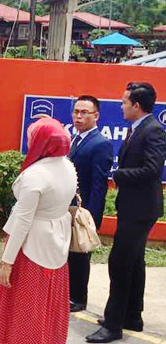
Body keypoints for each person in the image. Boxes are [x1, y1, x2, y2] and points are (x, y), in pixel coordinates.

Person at [0, 117, 77, 344]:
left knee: (27, 307)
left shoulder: (35, 175)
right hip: (57, 240)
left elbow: (23, 221)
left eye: (32, 137)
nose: (28, 141)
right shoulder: (68, 166)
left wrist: (6, 261)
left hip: (32, 245)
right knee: (50, 305)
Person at [87, 82, 166, 343]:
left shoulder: (152, 130)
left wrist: (119, 174)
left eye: (124, 102)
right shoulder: (139, 129)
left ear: (137, 106)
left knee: (119, 263)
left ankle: (113, 324)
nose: (121, 106)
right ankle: (132, 315)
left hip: (140, 208)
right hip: (134, 206)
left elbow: (153, 169)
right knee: (134, 262)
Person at [68, 96, 113, 313]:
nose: (79, 116)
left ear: (96, 116)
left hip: (84, 213)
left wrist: (93, 218)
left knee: (80, 255)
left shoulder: (100, 144)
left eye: (84, 112)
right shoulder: (75, 140)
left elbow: (99, 185)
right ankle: (67, 294)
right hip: (69, 209)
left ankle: (78, 298)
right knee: (70, 254)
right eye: (76, 111)